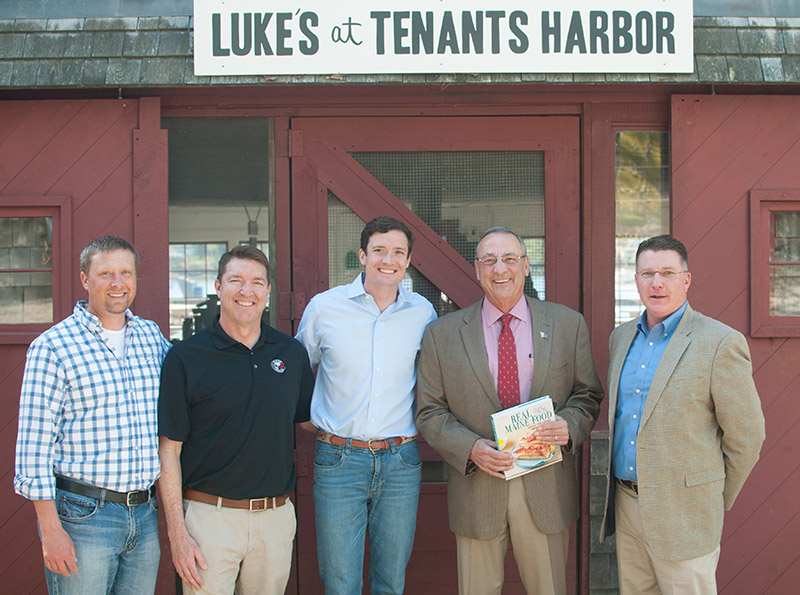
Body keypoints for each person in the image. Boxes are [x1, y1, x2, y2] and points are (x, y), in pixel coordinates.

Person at [416, 226, 603, 595]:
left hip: (546, 489)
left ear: (527, 265)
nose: (499, 268)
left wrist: (569, 425)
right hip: (477, 488)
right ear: (476, 269)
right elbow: (429, 411)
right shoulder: (443, 334)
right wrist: (469, 448)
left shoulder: (567, 324)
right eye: (489, 260)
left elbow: (587, 395)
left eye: (509, 258)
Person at [599, 235, 766, 594]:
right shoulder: (621, 338)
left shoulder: (720, 342)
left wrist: (710, 493)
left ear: (686, 279)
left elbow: (747, 436)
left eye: (667, 273)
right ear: (636, 280)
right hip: (627, 505)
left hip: (686, 512)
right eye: (647, 273)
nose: (656, 283)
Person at [14, 235, 171, 595]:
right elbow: (33, 448)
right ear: (85, 279)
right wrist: (50, 531)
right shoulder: (53, 347)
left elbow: (191, 388)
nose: (118, 284)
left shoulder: (151, 337)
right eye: (106, 274)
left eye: (125, 273)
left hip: (144, 515)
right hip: (83, 517)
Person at [158, 245, 313, 595]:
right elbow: (168, 451)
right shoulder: (185, 357)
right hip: (208, 517)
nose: (247, 291)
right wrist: (177, 534)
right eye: (236, 281)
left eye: (257, 282)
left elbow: (310, 421)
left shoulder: (291, 353)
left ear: (268, 291)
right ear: (217, 286)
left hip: (274, 517)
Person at [295, 216, 437, 594]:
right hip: (338, 459)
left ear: (408, 261)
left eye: (397, 252)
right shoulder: (324, 308)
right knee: (340, 581)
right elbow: (296, 371)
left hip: (401, 461)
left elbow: (435, 380)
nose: (387, 259)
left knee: (391, 579)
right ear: (362, 255)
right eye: (379, 250)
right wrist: (309, 420)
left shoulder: (423, 314)